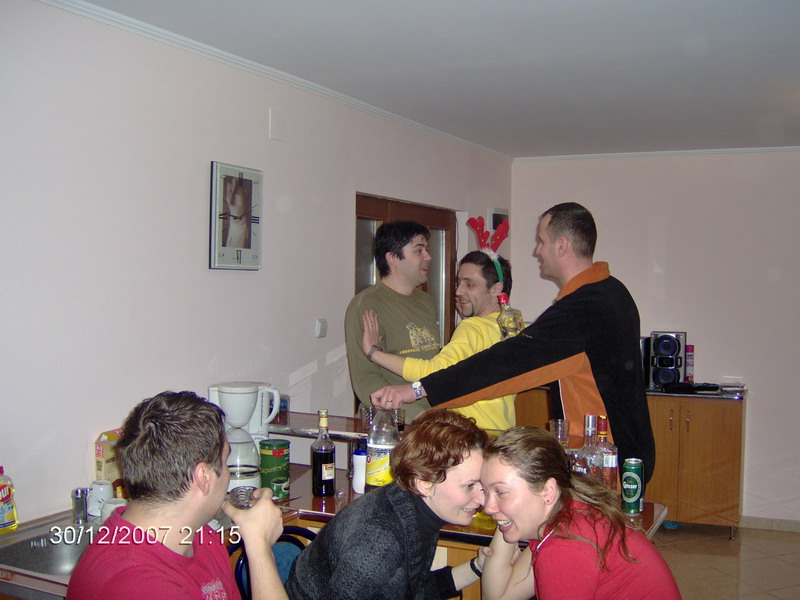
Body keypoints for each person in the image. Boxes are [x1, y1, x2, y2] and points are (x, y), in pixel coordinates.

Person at [371, 203, 656, 484]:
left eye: (542, 241)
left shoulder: (583, 308)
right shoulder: (613, 291)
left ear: (561, 246)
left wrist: (418, 388)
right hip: (628, 453)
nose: (537, 251)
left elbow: (505, 364)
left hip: (603, 461)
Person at [67, 391, 288, 600]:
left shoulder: (202, 538)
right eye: (225, 463)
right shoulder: (137, 584)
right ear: (204, 478)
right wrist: (259, 546)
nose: (227, 475)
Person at [286, 409, 489, 600]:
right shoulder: (379, 542)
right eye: (469, 485)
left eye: (482, 484)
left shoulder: (415, 507)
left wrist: (478, 567)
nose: (482, 499)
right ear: (424, 483)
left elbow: (411, 591)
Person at [480, 427, 681, 600]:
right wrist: (506, 517)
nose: (487, 507)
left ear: (548, 491)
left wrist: (507, 515)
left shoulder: (566, 546)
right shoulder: (564, 515)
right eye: (485, 491)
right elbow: (499, 597)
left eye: (501, 492)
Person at [362, 251, 517, 430]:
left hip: (474, 434)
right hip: (502, 430)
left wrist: (373, 352)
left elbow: (435, 373)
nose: (458, 291)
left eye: (469, 284)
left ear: (496, 289)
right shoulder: (512, 325)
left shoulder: (473, 328)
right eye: (459, 283)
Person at [345, 221, 441, 422]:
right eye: (419, 250)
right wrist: (420, 417)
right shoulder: (366, 305)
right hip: (392, 422)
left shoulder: (426, 301)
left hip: (433, 418)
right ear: (393, 258)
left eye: (427, 250)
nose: (428, 257)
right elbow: (366, 380)